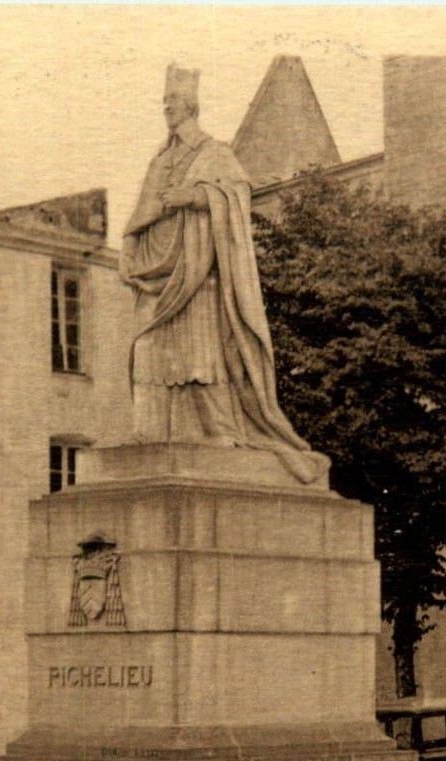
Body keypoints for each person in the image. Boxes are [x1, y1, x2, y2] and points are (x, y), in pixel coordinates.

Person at [121, 64, 323, 483]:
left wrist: (193, 197)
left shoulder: (214, 151)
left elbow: (237, 194)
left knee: (200, 357)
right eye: (164, 102)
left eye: (172, 102)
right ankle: (150, 430)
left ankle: (219, 430)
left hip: (198, 277)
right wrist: (130, 251)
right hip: (157, 273)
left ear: (190, 106)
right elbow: (141, 210)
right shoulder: (159, 159)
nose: (166, 109)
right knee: (149, 349)